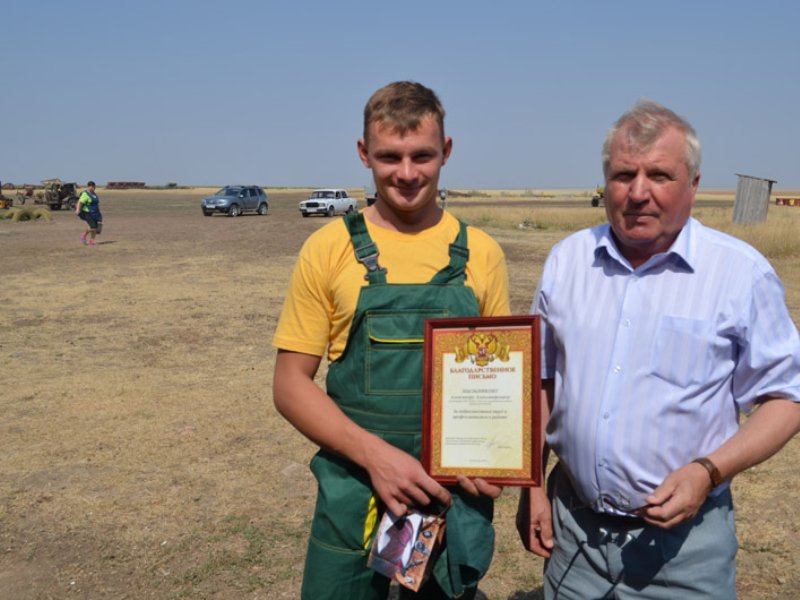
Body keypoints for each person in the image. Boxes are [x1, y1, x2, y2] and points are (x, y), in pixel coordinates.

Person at [516, 99, 800, 599]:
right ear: (605, 182)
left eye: (660, 175)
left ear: (693, 185)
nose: (638, 193)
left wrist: (707, 471)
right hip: (575, 538)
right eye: (624, 174)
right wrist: (533, 486)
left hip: (683, 551)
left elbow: (787, 398)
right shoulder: (568, 262)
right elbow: (542, 381)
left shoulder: (739, 273)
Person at [272, 81, 510, 600]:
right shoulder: (329, 248)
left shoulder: (481, 254)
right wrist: (377, 457)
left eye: (422, 155)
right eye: (389, 157)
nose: (406, 173)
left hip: (445, 498)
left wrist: (493, 459)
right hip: (355, 488)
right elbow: (290, 384)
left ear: (446, 151)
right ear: (364, 154)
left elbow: (496, 386)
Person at [75, 181, 103, 246]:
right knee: (93, 226)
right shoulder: (85, 194)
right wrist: (78, 210)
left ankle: (91, 241)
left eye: (94, 187)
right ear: (89, 187)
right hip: (87, 212)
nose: (93, 188)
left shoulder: (95, 194)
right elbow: (80, 202)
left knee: (96, 227)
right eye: (92, 187)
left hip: (96, 213)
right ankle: (84, 236)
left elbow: (96, 204)